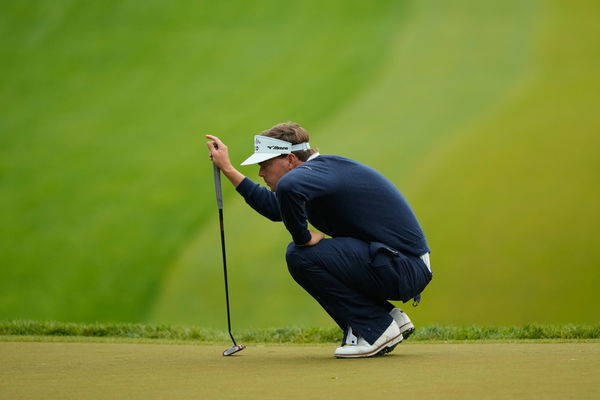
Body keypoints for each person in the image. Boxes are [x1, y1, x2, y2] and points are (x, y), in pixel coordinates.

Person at [206, 122, 432, 358]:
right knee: (304, 253)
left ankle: (376, 329)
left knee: (300, 255)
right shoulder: (316, 176)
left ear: (291, 159)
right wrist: (229, 169)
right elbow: (276, 209)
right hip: (396, 263)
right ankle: (386, 318)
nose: (261, 173)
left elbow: (288, 188)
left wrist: (302, 238)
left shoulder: (318, 173)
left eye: (266, 165)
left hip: (404, 266)